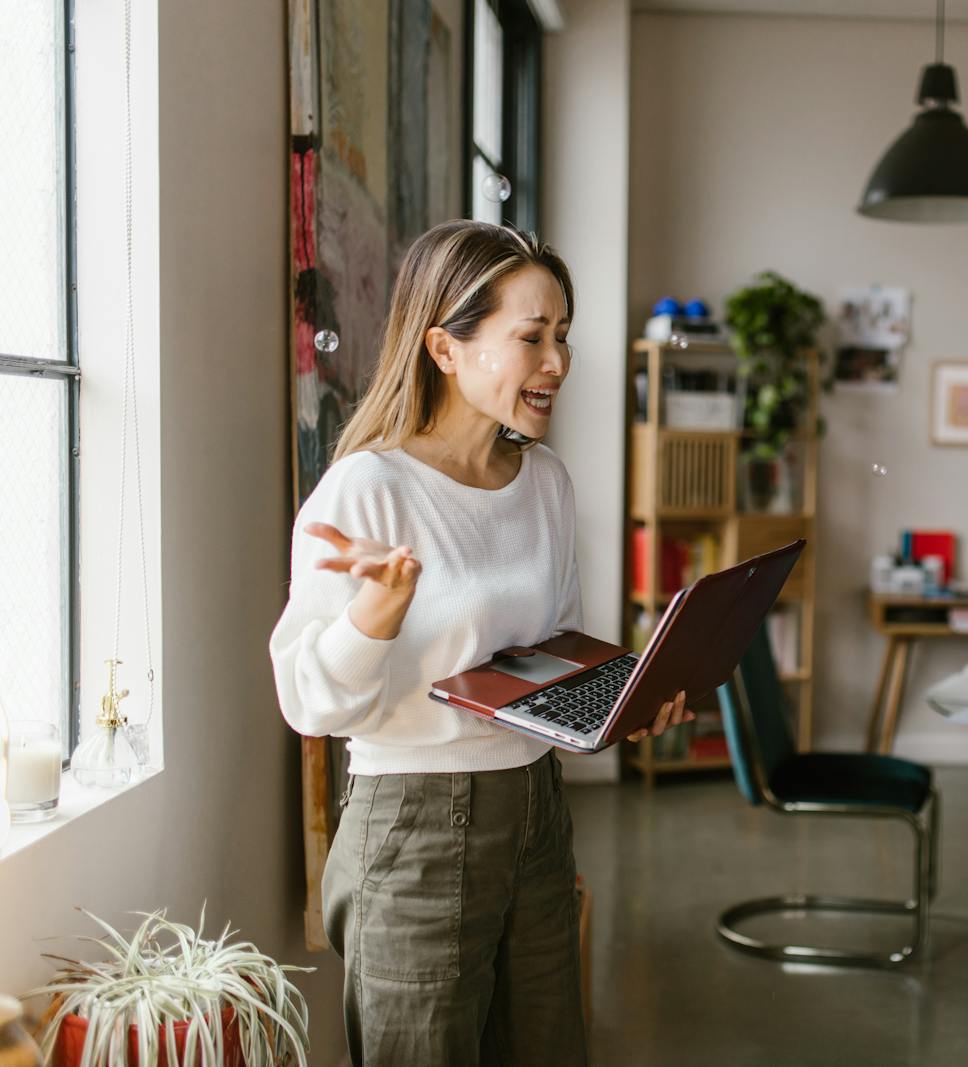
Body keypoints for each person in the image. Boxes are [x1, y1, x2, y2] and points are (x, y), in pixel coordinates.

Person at [270, 220, 691, 1066]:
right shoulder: (367, 487)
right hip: (414, 827)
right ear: (444, 347)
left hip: (534, 810)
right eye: (531, 336)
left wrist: (619, 701)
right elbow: (308, 703)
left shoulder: (546, 481)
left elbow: (548, 649)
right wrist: (375, 613)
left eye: (563, 336)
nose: (559, 362)